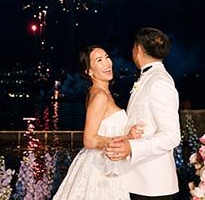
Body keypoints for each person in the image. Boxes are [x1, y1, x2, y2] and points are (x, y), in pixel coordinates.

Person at [52, 45, 144, 200]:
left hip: (107, 162)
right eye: (99, 60)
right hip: (101, 168)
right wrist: (126, 137)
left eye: (107, 57)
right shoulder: (100, 96)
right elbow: (89, 140)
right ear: (89, 71)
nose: (107, 63)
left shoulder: (100, 92)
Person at [104, 27, 181, 200]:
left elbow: (172, 136)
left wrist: (131, 147)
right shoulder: (149, 77)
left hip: (153, 187)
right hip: (140, 183)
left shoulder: (159, 82)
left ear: (138, 49)